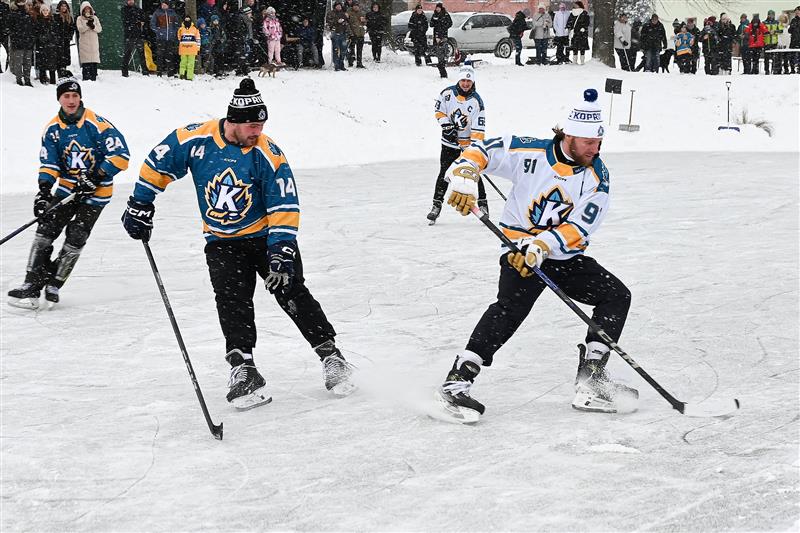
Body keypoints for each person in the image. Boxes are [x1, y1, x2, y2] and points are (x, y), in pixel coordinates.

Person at [121, 79, 357, 409]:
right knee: (231, 300)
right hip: (222, 241)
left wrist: (281, 250)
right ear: (233, 121)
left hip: (265, 237)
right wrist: (140, 202)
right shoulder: (196, 139)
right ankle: (243, 367)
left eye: (261, 126)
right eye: (252, 126)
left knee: (291, 292)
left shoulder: (267, 153)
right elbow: (158, 163)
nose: (257, 132)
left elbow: (284, 203)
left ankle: (332, 357)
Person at [433, 88, 635, 424]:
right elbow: (481, 150)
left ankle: (591, 380)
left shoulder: (597, 175)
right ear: (569, 135)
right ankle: (457, 382)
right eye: (589, 142)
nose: (595, 149)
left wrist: (542, 245)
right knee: (509, 311)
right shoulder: (532, 151)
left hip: (562, 256)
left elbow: (582, 225)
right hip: (518, 253)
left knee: (616, 296)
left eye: (599, 142)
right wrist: (465, 175)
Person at [8, 74, 130, 309]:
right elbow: (50, 163)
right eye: (66, 96)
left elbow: (121, 155)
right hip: (67, 190)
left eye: (75, 95)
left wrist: (96, 176)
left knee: (77, 235)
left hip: (96, 193)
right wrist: (44, 191)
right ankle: (31, 283)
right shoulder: (53, 129)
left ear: (80, 97)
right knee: (46, 229)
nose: (71, 100)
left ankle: (54, 283)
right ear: (59, 99)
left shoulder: (97, 124)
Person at [427, 66, 487, 224]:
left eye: (469, 81)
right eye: (463, 80)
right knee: (444, 173)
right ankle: (436, 206)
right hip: (449, 144)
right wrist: (447, 127)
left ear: (472, 82)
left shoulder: (477, 102)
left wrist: (473, 148)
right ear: (459, 80)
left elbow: (478, 129)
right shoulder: (447, 94)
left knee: (473, 173)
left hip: (468, 147)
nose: (466, 84)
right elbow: (439, 111)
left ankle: (483, 204)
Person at [8, 0, 35, 86]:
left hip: (28, 42)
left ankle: (27, 80)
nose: (22, 3)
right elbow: (10, 29)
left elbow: (32, 28)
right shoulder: (13, 14)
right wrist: (14, 40)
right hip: (18, 43)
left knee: (28, 63)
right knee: (18, 63)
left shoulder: (29, 14)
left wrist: (32, 39)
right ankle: (19, 80)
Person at [150, 0, 178, 76]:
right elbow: (152, 24)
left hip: (170, 38)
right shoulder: (157, 13)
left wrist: (173, 33)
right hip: (160, 38)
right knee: (160, 55)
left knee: (170, 55)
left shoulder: (172, 13)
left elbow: (176, 24)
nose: (164, 6)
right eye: (162, 4)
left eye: (165, 5)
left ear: (168, 5)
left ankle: (170, 73)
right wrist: (158, 31)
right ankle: (159, 72)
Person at [76, 1, 101, 81]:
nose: (87, 10)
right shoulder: (79, 19)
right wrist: (87, 25)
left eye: (88, 9)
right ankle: (86, 78)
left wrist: (93, 26)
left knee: (94, 62)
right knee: (86, 63)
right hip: (84, 44)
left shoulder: (95, 18)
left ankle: (94, 78)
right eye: (85, 9)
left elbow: (99, 29)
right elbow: (80, 29)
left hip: (93, 43)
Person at [121, 0, 147, 77]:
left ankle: (145, 72)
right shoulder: (124, 9)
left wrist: (139, 22)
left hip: (138, 35)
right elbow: (127, 21)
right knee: (127, 54)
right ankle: (124, 72)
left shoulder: (138, 9)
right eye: (129, 0)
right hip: (129, 36)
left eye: (132, 0)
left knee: (142, 54)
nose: (131, 1)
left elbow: (143, 19)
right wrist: (137, 22)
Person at [34, 3, 59, 84]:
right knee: (42, 65)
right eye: (43, 10)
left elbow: (56, 32)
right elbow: (36, 33)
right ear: (41, 11)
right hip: (42, 46)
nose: (45, 12)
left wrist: (53, 40)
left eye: (47, 10)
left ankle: (53, 81)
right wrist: (42, 38)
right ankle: (42, 80)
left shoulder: (53, 20)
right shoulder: (38, 21)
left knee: (52, 65)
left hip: (51, 46)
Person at [429, 2, 450, 77]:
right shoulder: (434, 14)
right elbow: (431, 24)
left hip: (443, 35)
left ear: (441, 8)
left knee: (443, 51)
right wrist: (435, 23)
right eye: (436, 8)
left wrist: (443, 26)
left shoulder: (445, 14)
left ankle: (442, 67)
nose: (437, 9)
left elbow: (450, 23)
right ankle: (441, 67)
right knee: (438, 52)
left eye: (438, 8)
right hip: (436, 35)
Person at [53, 0, 74, 76]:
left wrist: (69, 36)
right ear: (59, 7)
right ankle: (59, 74)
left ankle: (64, 72)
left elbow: (72, 28)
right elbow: (54, 28)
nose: (63, 7)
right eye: (62, 6)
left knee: (65, 58)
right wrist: (57, 37)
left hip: (66, 41)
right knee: (59, 59)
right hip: (58, 42)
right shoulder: (56, 16)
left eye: (65, 6)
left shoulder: (69, 17)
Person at [326, 1, 348, 71]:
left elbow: (347, 22)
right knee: (336, 50)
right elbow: (328, 23)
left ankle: (342, 64)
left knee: (343, 50)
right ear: (335, 6)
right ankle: (336, 65)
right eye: (337, 6)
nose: (339, 7)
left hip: (343, 33)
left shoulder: (343, 13)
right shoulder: (331, 13)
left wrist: (346, 20)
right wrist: (337, 22)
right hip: (335, 33)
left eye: (340, 6)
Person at [346, 1, 365, 68]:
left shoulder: (361, 13)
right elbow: (347, 24)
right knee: (351, 49)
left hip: (360, 33)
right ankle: (350, 62)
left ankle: (359, 63)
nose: (356, 7)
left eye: (357, 5)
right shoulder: (348, 13)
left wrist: (364, 21)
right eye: (354, 5)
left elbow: (364, 23)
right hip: (352, 34)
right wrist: (350, 33)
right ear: (352, 6)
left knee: (359, 50)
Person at [762, 9, 781, 75]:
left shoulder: (777, 22)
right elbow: (762, 31)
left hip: (774, 42)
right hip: (766, 42)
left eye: (772, 15)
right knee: (766, 58)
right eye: (770, 14)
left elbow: (781, 31)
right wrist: (768, 32)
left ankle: (774, 69)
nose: (771, 16)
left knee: (775, 57)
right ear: (767, 15)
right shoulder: (764, 22)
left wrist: (775, 32)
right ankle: (766, 70)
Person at [788, 7, 800, 74]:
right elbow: (789, 31)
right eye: (796, 12)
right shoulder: (793, 20)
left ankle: (799, 69)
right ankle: (792, 69)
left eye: (798, 11)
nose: (796, 13)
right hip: (793, 40)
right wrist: (792, 27)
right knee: (792, 55)